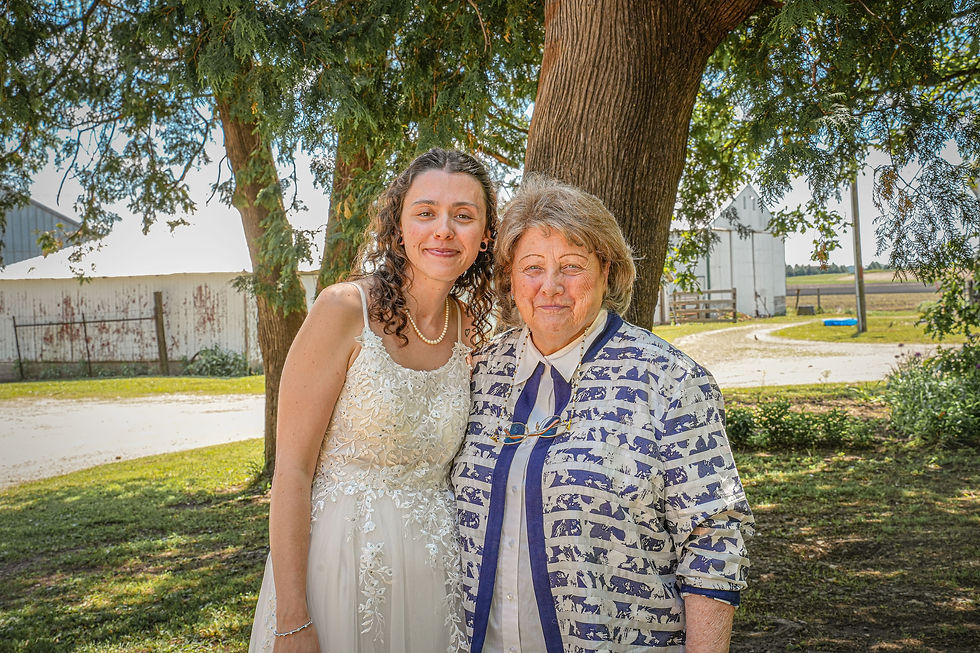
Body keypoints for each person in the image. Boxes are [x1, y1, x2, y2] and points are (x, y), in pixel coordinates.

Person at [452, 177, 753, 653]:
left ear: (607, 270)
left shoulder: (670, 380)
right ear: (510, 277)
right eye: (532, 267)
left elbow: (713, 538)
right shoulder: (482, 373)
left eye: (571, 267)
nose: (550, 286)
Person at [249, 148, 497, 653]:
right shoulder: (343, 310)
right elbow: (292, 471)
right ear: (398, 225)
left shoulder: (472, 330)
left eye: (464, 216)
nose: (443, 229)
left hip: (436, 572)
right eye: (425, 212)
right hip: (340, 566)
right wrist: (293, 618)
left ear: (485, 235)